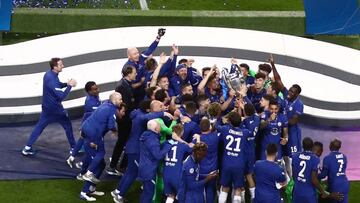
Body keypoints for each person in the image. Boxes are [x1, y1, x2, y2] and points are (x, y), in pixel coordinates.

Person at [111, 100, 173, 203]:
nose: (163, 108)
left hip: (132, 147)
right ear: (149, 109)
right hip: (135, 149)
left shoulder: (138, 113)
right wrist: (163, 113)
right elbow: (144, 118)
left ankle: (118, 191)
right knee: (133, 172)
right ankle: (120, 194)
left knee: (130, 171)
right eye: (160, 106)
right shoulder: (141, 117)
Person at [22, 58, 77, 156]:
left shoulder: (48, 74)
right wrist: (70, 86)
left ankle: (27, 148)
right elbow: (61, 97)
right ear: (55, 67)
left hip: (46, 107)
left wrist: (66, 84)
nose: (63, 66)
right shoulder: (53, 79)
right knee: (68, 126)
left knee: (39, 127)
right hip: (56, 110)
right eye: (61, 65)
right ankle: (73, 148)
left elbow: (56, 86)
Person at [79, 92, 123, 201]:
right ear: (114, 101)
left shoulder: (105, 104)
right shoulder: (111, 110)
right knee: (100, 156)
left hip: (88, 130)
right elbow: (110, 125)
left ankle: (91, 188)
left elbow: (101, 124)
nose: (121, 101)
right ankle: (86, 179)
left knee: (101, 164)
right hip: (92, 135)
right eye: (120, 99)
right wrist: (115, 131)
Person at [216, 111, 251, 203]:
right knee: (238, 188)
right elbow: (250, 130)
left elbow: (216, 125)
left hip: (226, 164)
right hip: (239, 164)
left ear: (229, 122)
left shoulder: (225, 129)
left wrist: (223, 119)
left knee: (225, 188)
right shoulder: (245, 132)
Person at [66, 81, 101, 168]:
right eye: (95, 89)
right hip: (90, 127)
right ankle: (83, 164)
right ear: (89, 92)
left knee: (82, 140)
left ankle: (71, 157)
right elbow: (97, 114)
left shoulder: (95, 97)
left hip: (88, 125)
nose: (98, 90)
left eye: (97, 88)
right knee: (93, 146)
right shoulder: (91, 103)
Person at [109, 66, 137, 173]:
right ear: (129, 74)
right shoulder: (122, 86)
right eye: (134, 72)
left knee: (123, 142)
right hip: (124, 120)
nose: (136, 74)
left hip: (126, 118)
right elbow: (124, 104)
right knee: (123, 142)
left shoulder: (125, 84)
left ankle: (117, 164)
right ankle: (116, 166)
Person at [138, 119, 173, 203]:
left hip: (144, 167)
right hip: (149, 170)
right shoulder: (152, 139)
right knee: (149, 193)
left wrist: (163, 144)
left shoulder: (146, 135)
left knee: (146, 192)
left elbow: (152, 149)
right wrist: (168, 145)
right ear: (156, 128)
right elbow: (158, 155)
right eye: (159, 126)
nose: (161, 127)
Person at [292, 137, 329, 203]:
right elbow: (314, 179)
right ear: (312, 147)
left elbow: (294, 173)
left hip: (297, 191)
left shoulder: (295, 156)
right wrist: (323, 192)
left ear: (302, 146)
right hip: (309, 193)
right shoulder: (315, 159)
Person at [163, 124, 192, 203]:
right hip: (177, 174)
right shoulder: (183, 145)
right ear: (182, 133)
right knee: (181, 197)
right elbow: (192, 150)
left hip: (166, 173)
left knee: (170, 195)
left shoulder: (165, 143)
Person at [193, 118, 220, 203]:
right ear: (210, 127)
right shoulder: (216, 137)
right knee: (210, 190)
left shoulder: (196, 139)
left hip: (201, 170)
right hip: (213, 169)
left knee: (199, 190)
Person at [319, 139, 349, 203]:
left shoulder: (327, 158)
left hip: (335, 185)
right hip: (345, 184)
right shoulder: (344, 156)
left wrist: (315, 175)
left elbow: (323, 175)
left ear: (330, 146)